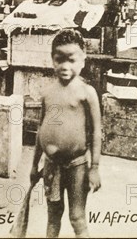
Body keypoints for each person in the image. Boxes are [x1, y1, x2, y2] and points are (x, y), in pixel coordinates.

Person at [29, 29, 102, 238]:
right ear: (52, 60)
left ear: (83, 60)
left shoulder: (87, 92)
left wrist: (95, 167)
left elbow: (97, 132)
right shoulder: (47, 92)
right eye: (59, 59)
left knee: (77, 217)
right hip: (51, 165)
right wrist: (35, 165)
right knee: (53, 216)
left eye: (71, 60)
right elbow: (40, 130)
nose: (64, 66)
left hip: (77, 165)